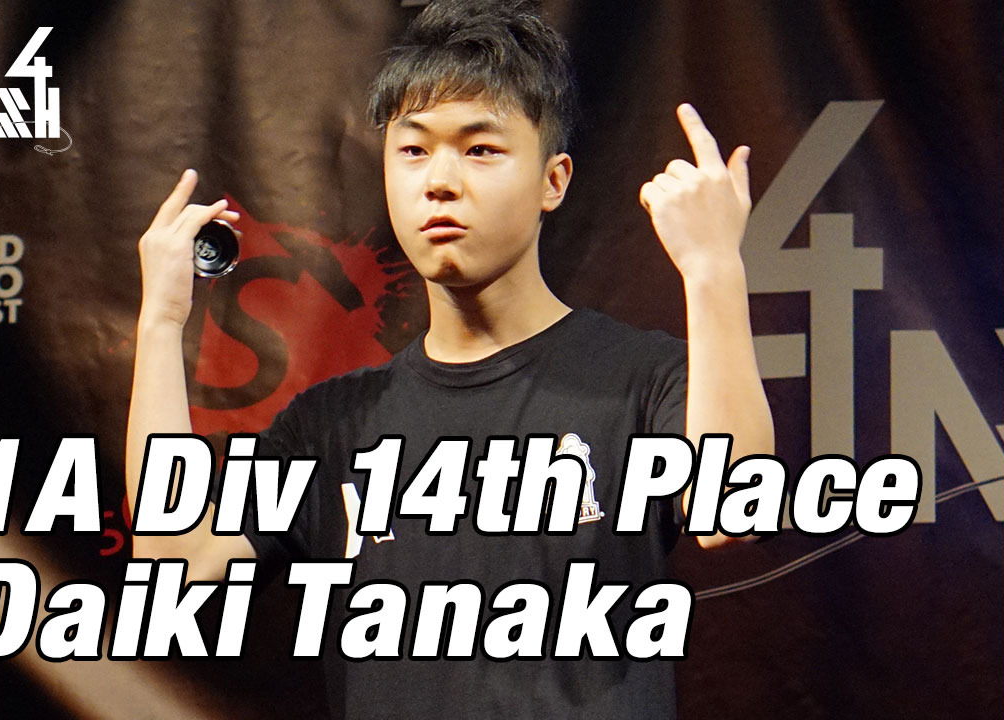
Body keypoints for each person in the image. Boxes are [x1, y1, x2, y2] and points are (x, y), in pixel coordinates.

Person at [125, 0, 772, 717]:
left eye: (480, 149)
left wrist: (714, 269)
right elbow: (176, 561)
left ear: (553, 181)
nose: (439, 180)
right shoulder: (331, 425)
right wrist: (161, 322)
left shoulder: (642, 381)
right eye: (413, 150)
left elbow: (731, 509)